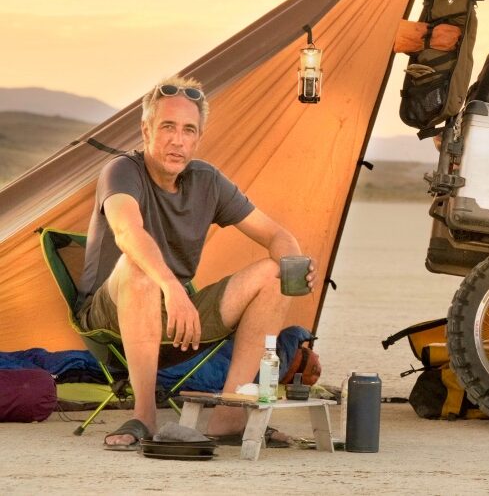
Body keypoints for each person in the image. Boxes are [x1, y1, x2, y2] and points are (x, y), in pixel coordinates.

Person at [75, 75, 315, 450]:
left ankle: (230, 415)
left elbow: (274, 234)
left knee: (274, 272)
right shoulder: (122, 171)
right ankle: (144, 415)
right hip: (112, 312)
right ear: (146, 129)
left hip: (177, 315)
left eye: (189, 130)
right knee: (139, 268)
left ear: (198, 138)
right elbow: (128, 234)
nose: (177, 139)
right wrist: (172, 287)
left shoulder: (207, 181)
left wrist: (295, 264)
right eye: (167, 127)